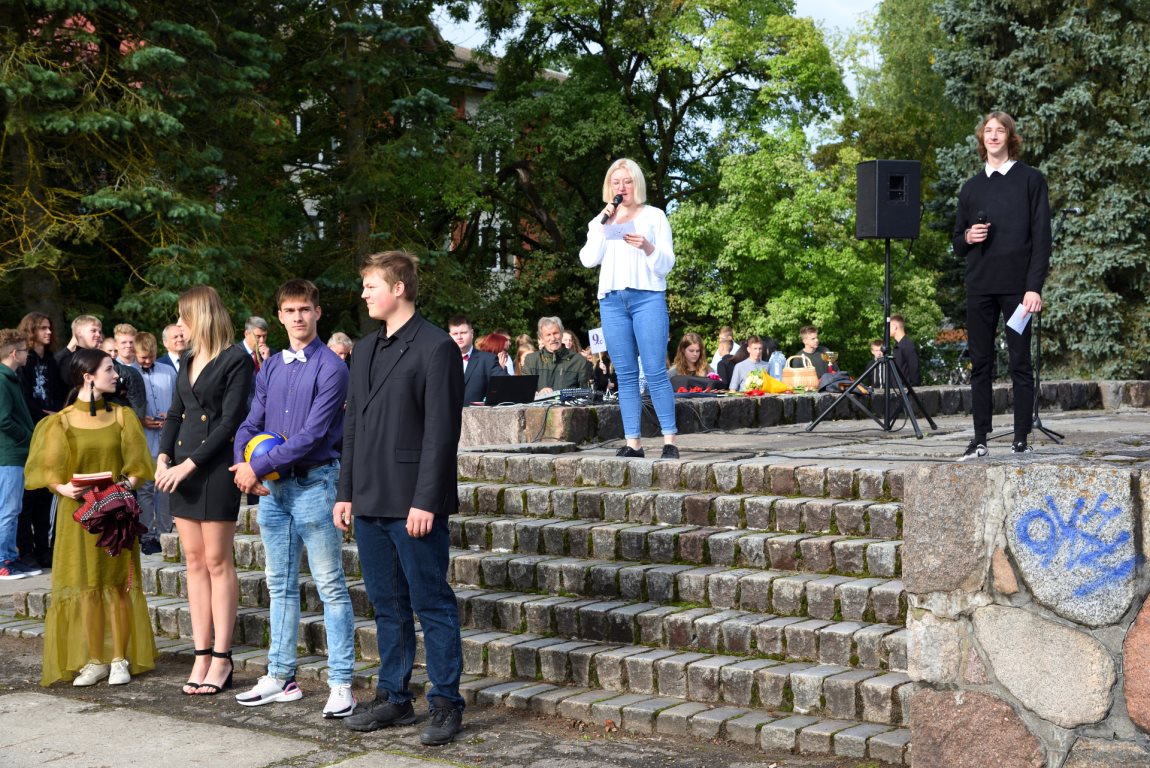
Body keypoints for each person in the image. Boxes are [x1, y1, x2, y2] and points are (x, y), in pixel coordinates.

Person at [335, 251, 465, 745]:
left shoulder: (436, 347)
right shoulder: (364, 348)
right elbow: (352, 425)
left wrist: (426, 500)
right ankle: (394, 696)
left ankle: (446, 703)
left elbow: (441, 433)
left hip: (414, 502)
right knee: (386, 606)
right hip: (369, 499)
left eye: (371, 285)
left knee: (432, 604)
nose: (364, 294)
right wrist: (346, 492)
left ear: (399, 288)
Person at [232, 279, 355, 718]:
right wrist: (242, 466)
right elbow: (251, 422)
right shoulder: (271, 366)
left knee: (330, 586)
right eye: (290, 310)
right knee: (279, 584)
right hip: (272, 491)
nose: (298, 317)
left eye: (305, 309)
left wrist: (258, 466)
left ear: (317, 312)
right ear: (280, 316)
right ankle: (281, 676)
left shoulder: (333, 368)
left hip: (315, 485)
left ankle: (341, 683)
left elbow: (312, 435)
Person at [25, 348, 155, 685]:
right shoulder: (60, 422)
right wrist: (63, 488)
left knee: (117, 586)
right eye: (109, 369)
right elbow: (47, 471)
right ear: (88, 377)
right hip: (78, 517)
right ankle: (95, 660)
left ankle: (119, 659)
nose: (117, 375)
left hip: (114, 516)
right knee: (87, 588)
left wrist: (124, 487)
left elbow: (139, 465)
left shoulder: (123, 417)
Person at [156, 286, 254, 695]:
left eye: (184, 316)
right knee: (193, 562)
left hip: (212, 469)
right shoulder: (187, 359)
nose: (179, 325)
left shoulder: (236, 359)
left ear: (202, 316)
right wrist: (163, 457)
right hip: (181, 469)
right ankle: (200, 654)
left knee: (216, 561)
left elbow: (230, 422)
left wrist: (189, 465)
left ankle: (222, 657)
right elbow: (175, 413)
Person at [953, 110, 1050, 459]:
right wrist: (968, 236)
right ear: (982, 139)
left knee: (1020, 363)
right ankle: (980, 437)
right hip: (980, 287)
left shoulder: (1031, 180)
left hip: (1018, 290)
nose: (993, 135)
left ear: (1010, 137)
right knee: (980, 364)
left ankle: (1021, 437)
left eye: (1000, 130)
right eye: (988, 131)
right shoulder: (971, 188)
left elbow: (1042, 239)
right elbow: (957, 243)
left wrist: (1033, 287)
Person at [579, 158, 678, 459]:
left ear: (637, 184)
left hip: (647, 298)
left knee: (655, 370)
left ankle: (670, 441)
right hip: (612, 302)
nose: (621, 187)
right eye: (616, 182)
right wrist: (602, 224)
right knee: (625, 374)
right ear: (609, 187)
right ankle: (633, 443)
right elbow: (588, 259)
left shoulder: (654, 216)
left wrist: (647, 246)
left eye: (627, 181)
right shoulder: (601, 220)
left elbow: (666, 264)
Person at [16, 313, 63, 569]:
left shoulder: (52, 360)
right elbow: (23, 397)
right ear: (31, 330)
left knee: (46, 493)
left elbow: (58, 391)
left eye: (49, 327)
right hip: (31, 431)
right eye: (42, 328)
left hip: (51, 430)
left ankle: (44, 548)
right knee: (28, 496)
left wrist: (58, 413)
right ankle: (26, 550)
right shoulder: (25, 361)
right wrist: (42, 414)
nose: (48, 332)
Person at [133, 332, 177, 555]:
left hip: (166, 439)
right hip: (143, 439)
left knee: (166, 487)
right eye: (143, 358)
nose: (148, 361)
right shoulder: (130, 373)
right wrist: (140, 418)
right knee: (146, 489)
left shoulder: (168, 372)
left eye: (151, 357)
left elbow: (179, 400)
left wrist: (171, 415)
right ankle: (148, 534)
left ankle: (165, 532)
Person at [0, 330, 37, 580]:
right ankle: (3, 561)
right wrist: (28, 437)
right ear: (14, 353)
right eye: (24, 350)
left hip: (15, 454)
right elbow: (3, 420)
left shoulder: (10, 378)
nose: (27, 355)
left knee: (13, 508)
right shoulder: (3, 381)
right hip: (9, 455)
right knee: (8, 509)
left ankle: (10, 558)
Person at [521, 317, 594, 394]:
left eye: (555, 333)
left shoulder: (578, 361)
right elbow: (525, 393)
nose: (553, 338)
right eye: (548, 335)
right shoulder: (531, 360)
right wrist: (539, 394)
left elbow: (585, 394)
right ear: (541, 338)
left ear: (562, 334)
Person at [449, 315, 505, 405]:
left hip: (477, 413)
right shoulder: (442, 361)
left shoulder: (488, 360)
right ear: (450, 336)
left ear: (472, 333)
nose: (459, 337)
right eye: (455, 334)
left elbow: (505, 385)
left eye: (463, 333)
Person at [890, 315, 921, 387]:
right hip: (897, 390)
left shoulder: (908, 346)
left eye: (889, 327)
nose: (886, 330)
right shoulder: (897, 346)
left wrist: (914, 390)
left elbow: (914, 371)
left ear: (895, 327)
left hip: (905, 391)